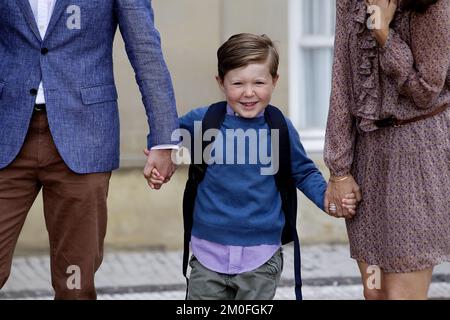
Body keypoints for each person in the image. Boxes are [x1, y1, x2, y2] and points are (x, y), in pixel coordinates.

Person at [150, 33, 357, 300]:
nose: (249, 92)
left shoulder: (280, 127)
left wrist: (327, 199)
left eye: (259, 82)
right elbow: (165, 133)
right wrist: (158, 156)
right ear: (221, 83)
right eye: (237, 83)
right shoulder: (204, 121)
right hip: (206, 254)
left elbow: (303, 172)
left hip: (261, 258)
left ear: (275, 81)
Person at [0, 0, 178, 299]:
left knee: (75, 283)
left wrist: (164, 138)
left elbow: (145, 48)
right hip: (7, 130)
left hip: (85, 136)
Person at [324, 0, 450, 300]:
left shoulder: (433, 5)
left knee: (400, 295)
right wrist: (339, 170)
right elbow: (341, 80)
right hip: (368, 154)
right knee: (375, 291)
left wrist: (383, 34)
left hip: (418, 153)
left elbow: (425, 91)